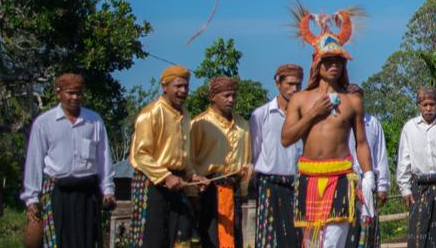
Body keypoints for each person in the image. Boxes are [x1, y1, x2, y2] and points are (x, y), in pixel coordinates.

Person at [280, 4, 376, 248]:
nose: (334, 65)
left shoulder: (352, 101)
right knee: (311, 243)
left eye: (339, 61)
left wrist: (368, 176)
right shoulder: (301, 100)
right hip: (309, 176)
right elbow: (286, 138)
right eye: (329, 61)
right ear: (317, 64)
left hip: (341, 176)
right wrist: (313, 114)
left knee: (333, 242)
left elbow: (361, 142)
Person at [23, 73, 116, 248]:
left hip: (88, 195)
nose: (75, 97)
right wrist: (32, 198)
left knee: (88, 242)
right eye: (70, 93)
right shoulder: (44, 123)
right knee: (59, 241)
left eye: (79, 93)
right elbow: (34, 162)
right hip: (58, 193)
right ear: (58, 93)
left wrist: (108, 190)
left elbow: (104, 158)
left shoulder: (94, 121)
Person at [125, 65, 197, 248]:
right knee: (152, 238)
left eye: (186, 86)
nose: (183, 91)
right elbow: (139, 154)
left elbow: (184, 154)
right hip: (152, 182)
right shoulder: (151, 113)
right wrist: (166, 176)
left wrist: (193, 176)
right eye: (178, 86)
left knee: (178, 238)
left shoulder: (186, 115)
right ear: (165, 87)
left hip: (177, 182)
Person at [190, 76, 253, 248]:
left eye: (233, 95)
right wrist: (193, 195)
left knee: (235, 239)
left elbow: (247, 159)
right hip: (208, 190)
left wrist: (244, 189)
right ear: (213, 97)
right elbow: (191, 161)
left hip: (234, 191)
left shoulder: (243, 125)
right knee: (211, 239)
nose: (231, 100)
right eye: (226, 96)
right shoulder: (199, 123)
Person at [396, 87, 436, 248]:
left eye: (432, 104)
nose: (428, 108)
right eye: (424, 105)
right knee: (418, 237)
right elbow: (404, 159)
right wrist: (405, 188)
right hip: (419, 189)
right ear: (419, 105)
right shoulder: (409, 128)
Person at [250, 64, 305, 247]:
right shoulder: (261, 115)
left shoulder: (305, 116)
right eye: (289, 84)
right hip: (269, 184)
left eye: (298, 84)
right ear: (278, 83)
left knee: (296, 238)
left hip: (296, 185)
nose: (294, 89)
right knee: (269, 240)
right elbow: (256, 153)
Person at [347, 85, 390, 248]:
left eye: (358, 98)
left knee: (368, 231)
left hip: (368, 182)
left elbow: (380, 155)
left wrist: (383, 186)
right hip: (345, 183)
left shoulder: (372, 123)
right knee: (346, 230)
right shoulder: (339, 122)